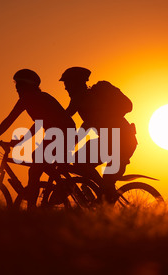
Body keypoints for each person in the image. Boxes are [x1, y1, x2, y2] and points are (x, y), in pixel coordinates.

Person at [0, 69, 75, 209]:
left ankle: (63, 187)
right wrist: (20, 141)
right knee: (35, 167)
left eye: (19, 85)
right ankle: (41, 199)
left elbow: (12, 121)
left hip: (64, 133)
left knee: (35, 166)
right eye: (16, 85)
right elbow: (30, 123)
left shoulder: (38, 98)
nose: (16, 88)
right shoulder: (27, 100)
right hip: (57, 134)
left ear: (28, 86)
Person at [59, 67, 138, 201]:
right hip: (110, 141)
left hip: (122, 142)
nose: (66, 89)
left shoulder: (90, 98)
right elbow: (63, 119)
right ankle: (99, 193)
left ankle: (103, 191)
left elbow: (82, 125)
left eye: (67, 84)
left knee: (102, 177)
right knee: (79, 160)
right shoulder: (79, 100)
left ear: (76, 83)